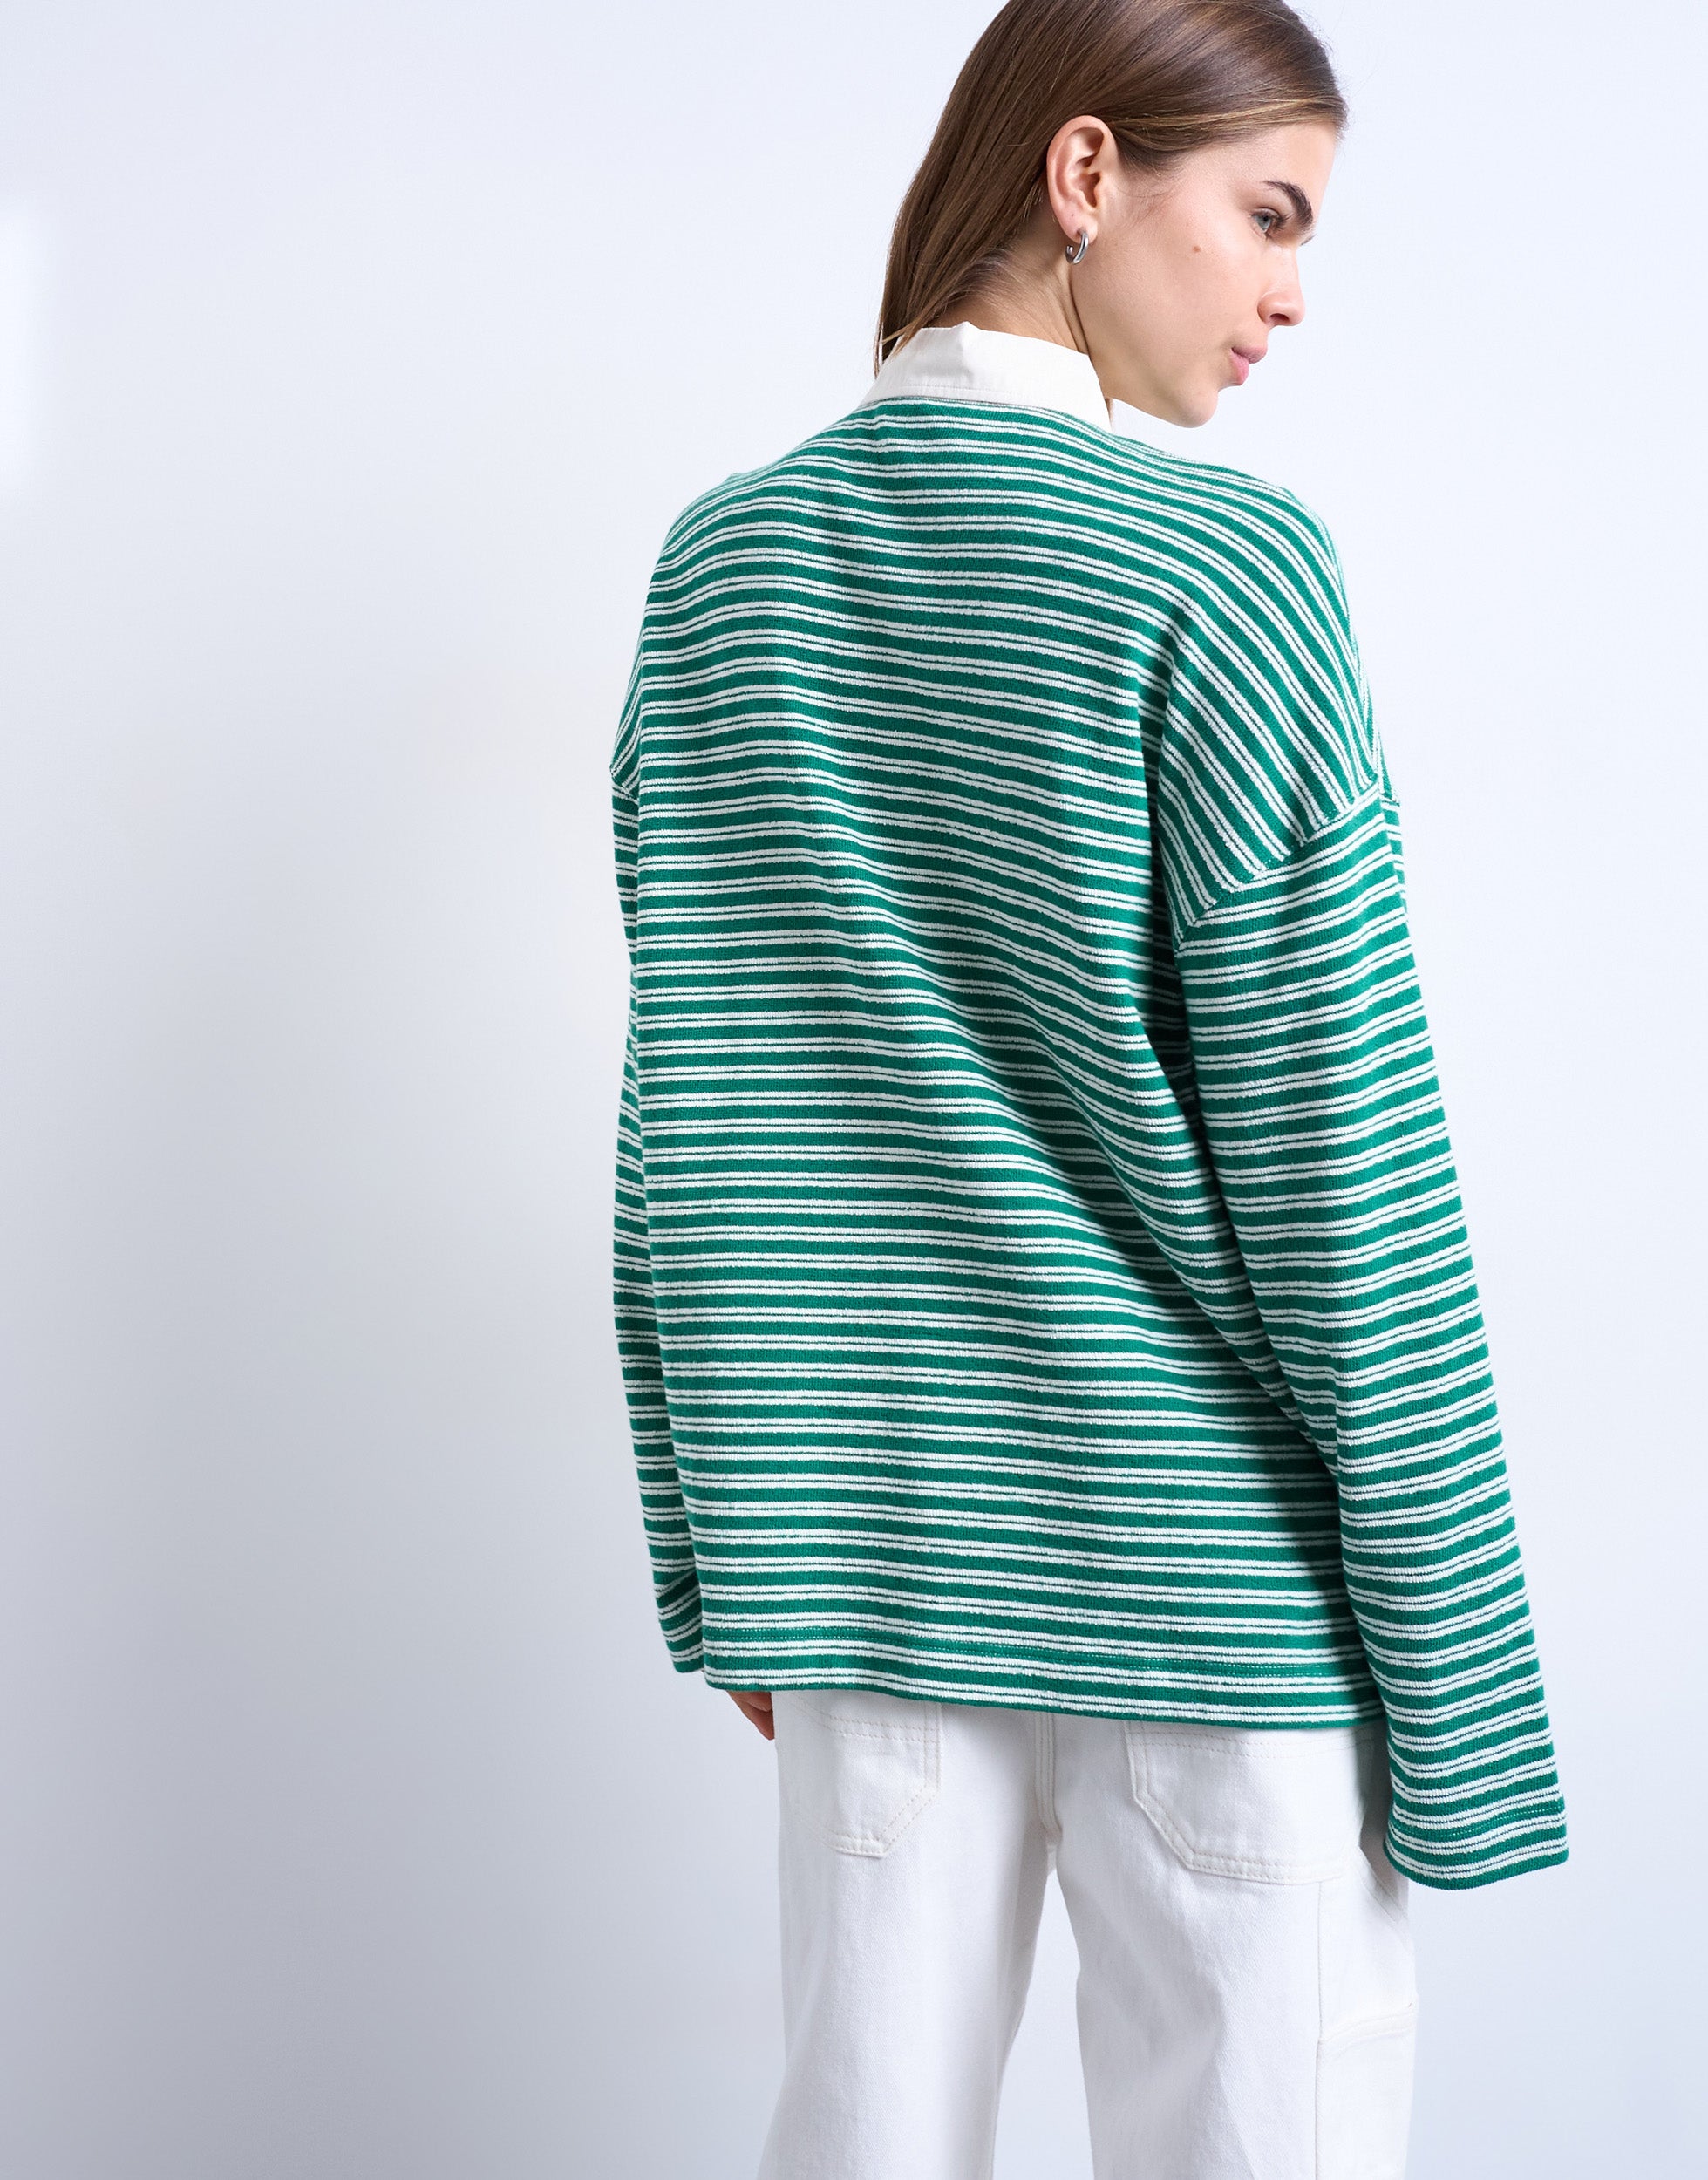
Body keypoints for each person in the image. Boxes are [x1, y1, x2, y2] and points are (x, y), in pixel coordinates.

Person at [608, 2, 1569, 2172]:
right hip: (1216, 1597)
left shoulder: (719, 565)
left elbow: (687, 1119)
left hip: (859, 1575)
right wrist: (1460, 1686)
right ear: (1081, 174)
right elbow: (1344, 1161)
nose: (1289, 293)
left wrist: (717, 1556)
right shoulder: (1224, 567)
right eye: (1268, 214)